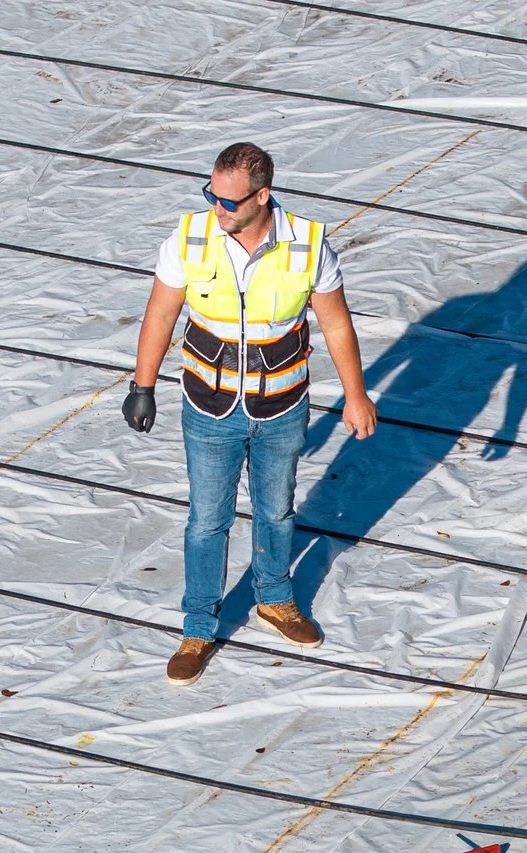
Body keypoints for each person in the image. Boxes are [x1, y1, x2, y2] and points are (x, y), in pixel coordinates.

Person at [126, 141, 378, 685]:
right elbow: (162, 311)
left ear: (263, 196)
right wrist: (142, 385)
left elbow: (335, 324)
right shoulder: (190, 238)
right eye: (211, 196)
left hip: (282, 406)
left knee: (277, 511)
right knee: (207, 520)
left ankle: (274, 600)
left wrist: (355, 395)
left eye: (229, 202)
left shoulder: (309, 245)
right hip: (208, 406)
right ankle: (198, 626)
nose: (217, 209)